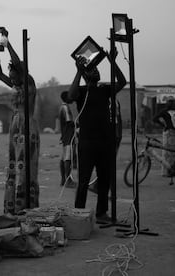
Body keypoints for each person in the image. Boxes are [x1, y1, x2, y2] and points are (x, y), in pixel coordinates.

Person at [68, 50, 126, 224]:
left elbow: (122, 82)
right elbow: (70, 96)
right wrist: (78, 70)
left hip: (105, 142)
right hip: (87, 143)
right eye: (92, 70)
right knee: (83, 181)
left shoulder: (105, 90)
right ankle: (79, 214)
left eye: (97, 69)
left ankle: (102, 213)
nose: (97, 71)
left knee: (104, 180)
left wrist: (112, 61)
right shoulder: (81, 92)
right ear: (86, 75)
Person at [0, 29, 40, 215]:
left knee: (27, 166)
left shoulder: (29, 82)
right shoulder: (16, 84)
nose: (11, 78)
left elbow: (19, 64)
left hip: (28, 126)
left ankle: (26, 206)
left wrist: (8, 44)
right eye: (11, 76)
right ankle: (14, 206)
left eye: (14, 75)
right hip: (15, 126)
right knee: (15, 164)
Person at [152, 97, 175, 176]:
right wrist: (162, 124)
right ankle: (167, 171)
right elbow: (154, 118)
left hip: (172, 132)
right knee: (169, 153)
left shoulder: (170, 111)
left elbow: (154, 119)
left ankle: (171, 170)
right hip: (171, 132)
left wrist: (162, 124)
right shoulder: (170, 111)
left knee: (171, 153)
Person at [58, 91, 77, 187]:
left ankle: (63, 180)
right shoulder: (65, 108)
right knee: (67, 158)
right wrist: (78, 125)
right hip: (68, 136)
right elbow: (69, 122)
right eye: (70, 97)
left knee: (63, 157)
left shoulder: (62, 107)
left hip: (65, 136)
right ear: (66, 98)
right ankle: (68, 181)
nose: (71, 98)